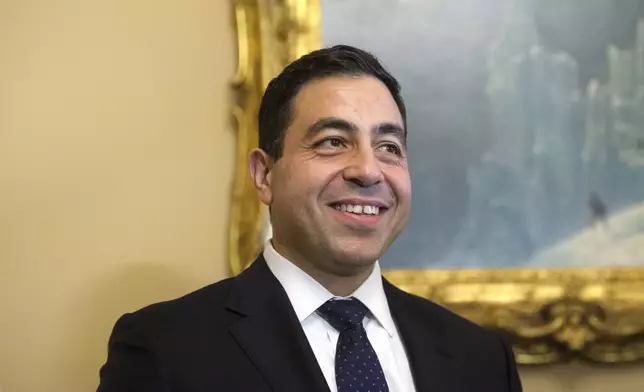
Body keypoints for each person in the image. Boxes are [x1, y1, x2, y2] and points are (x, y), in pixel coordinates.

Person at [97, 44, 522, 392]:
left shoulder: (481, 358)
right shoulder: (166, 350)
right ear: (265, 175)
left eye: (389, 147)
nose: (369, 170)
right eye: (334, 141)